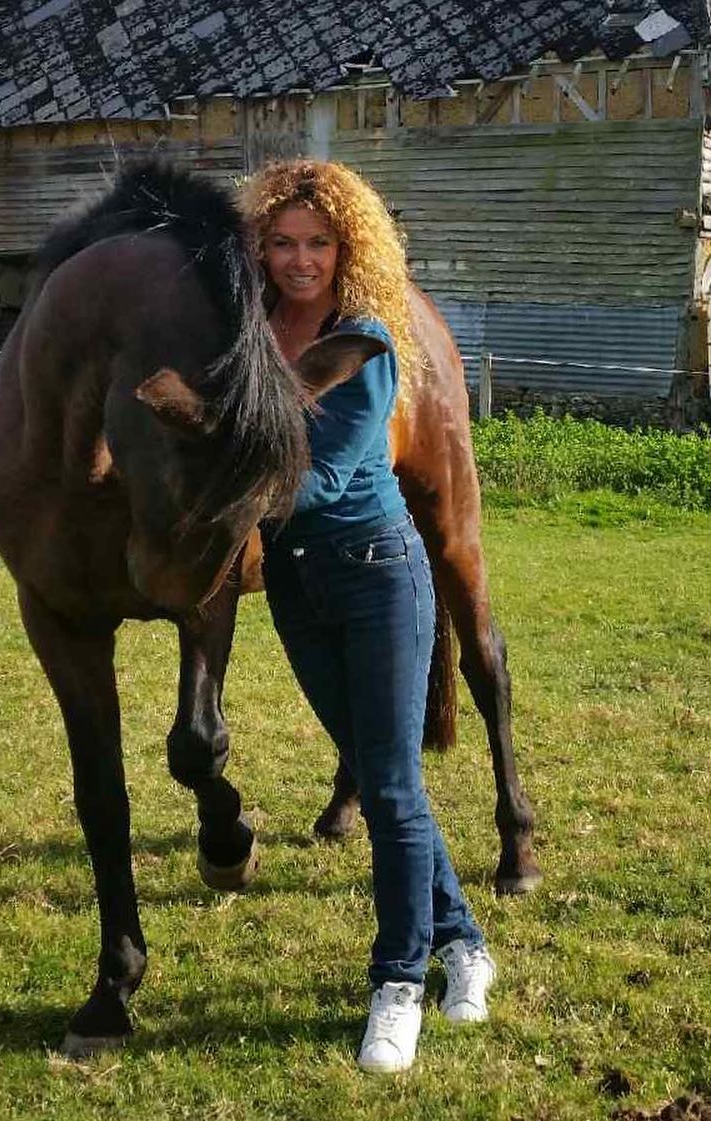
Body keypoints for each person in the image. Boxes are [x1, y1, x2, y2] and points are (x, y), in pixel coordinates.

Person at [241, 160, 496, 1074]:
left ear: (348, 248)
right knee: (386, 778)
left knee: (388, 789)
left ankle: (396, 985)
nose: (299, 260)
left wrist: (216, 497)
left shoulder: (363, 338)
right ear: (260, 248)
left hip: (376, 572)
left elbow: (326, 476)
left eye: (318, 242)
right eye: (282, 242)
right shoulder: (251, 331)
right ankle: (463, 941)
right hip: (294, 587)